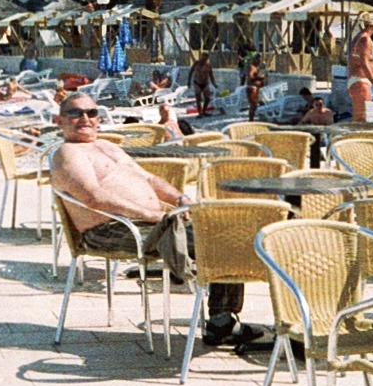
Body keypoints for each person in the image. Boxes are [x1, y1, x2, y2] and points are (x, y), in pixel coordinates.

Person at [50, 94, 257, 347]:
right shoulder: (68, 153)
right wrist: (153, 215)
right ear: (59, 121)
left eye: (91, 113)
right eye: (75, 113)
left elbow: (148, 179)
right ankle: (221, 323)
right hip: (109, 229)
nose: (85, 118)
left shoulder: (107, 147)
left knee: (227, 230)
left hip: (146, 224)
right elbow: (94, 197)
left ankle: (223, 319)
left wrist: (180, 199)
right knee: (222, 241)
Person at [347, 11, 373, 123]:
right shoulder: (365, 39)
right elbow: (364, 63)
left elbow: (351, 60)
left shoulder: (358, 37)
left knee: (359, 117)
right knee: (362, 119)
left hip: (358, 80)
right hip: (361, 81)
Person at [189, 53, 213, 117]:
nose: (204, 60)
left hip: (205, 83)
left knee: (207, 98)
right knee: (198, 98)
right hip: (197, 83)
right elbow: (190, 72)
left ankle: (204, 111)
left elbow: (211, 75)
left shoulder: (208, 65)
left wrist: (214, 83)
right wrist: (188, 82)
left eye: (206, 59)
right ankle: (200, 113)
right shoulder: (196, 64)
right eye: (203, 58)